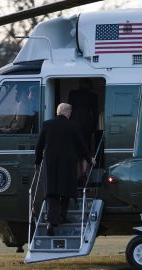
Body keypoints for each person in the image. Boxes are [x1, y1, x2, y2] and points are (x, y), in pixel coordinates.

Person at [34, 103, 95, 236]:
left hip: (50, 164)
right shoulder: (73, 126)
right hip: (67, 164)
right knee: (66, 189)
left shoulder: (47, 124)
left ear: (57, 112)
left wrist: (37, 162)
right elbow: (81, 145)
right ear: (68, 113)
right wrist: (90, 159)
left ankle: (51, 222)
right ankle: (62, 215)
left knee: (53, 192)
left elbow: (39, 146)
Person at [68, 78, 99, 150]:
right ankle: (85, 160)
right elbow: (95, 113)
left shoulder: (72, 93)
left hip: (74, 120)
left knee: (74, 143)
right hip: (87, 121)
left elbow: (69, 108)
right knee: (86, 144)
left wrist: (68, 122)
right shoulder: (93, 96)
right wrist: (94, 128)